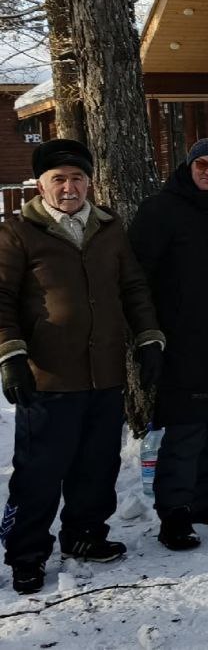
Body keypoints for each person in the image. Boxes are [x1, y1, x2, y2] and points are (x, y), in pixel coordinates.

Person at [0, 140, 165, 594]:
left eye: (77, 178)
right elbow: (2, 298)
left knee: (97, 464)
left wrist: (149, 338)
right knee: (39, 471)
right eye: (59, 180)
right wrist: (11, 355)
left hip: (105, 369)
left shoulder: (108, 227)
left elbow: (132, 287)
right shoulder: (18, 232)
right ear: (41, 185)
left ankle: (85, 535)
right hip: (49, 376)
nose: (69, 187)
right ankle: (26, 554)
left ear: (89, 182)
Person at [130, 138, 208, 552]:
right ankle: (174, 513)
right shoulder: (160, 210)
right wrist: (148, 335)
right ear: (189, 166)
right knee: (185, 426)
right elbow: (136, 277)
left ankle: (204, 499)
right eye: (204, 165)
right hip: (177, 337)